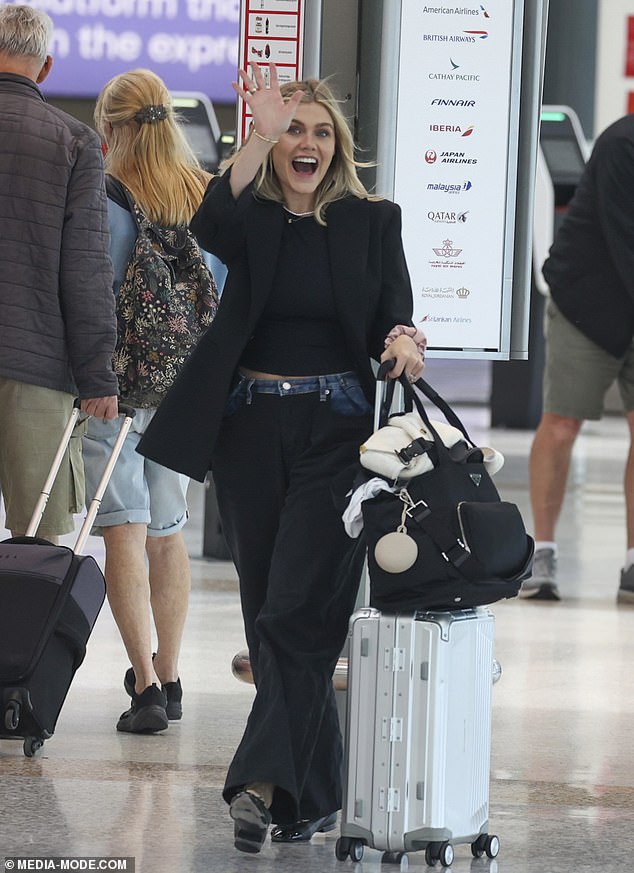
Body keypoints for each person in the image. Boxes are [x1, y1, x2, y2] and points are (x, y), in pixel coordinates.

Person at [137, 61, 426, 852]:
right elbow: (208, 218)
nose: (307, 143)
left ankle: (260, 786)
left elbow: (393, 315)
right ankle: (317, 791)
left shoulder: (373, 220)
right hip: (249, 432)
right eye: (294, 131)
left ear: (340, 147)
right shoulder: (253, 217)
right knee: (273, 615)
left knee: (298, 609)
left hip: (337, 436)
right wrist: (255, 134)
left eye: (320, 132)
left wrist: (404, 338)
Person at [82, 69, 217, 734]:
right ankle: (172, 668)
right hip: (186, 394)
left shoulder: (100, 201)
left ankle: (146, 686)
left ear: (110, 127)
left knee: (123, 529)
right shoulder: (204, 199)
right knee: (169, 533)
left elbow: (88, 297)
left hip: (115, 392)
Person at [0, 4, 118, 540]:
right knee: (36, 544)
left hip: (35, 362)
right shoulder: (73, 142)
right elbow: (86, 269)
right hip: (37, 370)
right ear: (45, 68)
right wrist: (97, 376)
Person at [526, 111, 634, 603]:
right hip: (587, 303)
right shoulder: (622, 144)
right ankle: (542, 553)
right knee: (562, 424)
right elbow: (624, 242)